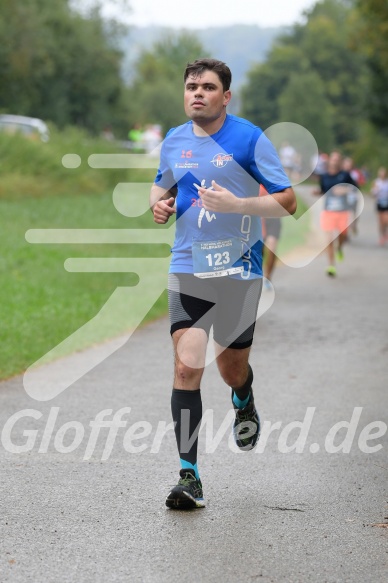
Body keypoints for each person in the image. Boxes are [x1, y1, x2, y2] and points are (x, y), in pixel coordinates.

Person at [150, 58, 296, 509]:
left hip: (238, 267)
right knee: (186, 366)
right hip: (189, 263)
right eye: (191, 86)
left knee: (229, 367)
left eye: (208, 87)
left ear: (225, 96)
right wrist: (160, 206)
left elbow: (287, 201)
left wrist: (237, 204)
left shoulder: (250, 138)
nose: (197, 93)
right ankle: (188, 476)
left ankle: (244, 396)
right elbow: (161, 187)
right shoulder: (174, 140)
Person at [316, 150, 359, 277]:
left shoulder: (345, 175)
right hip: (328, 211)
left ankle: (339, 248)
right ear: (329, 160)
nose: (334, 161)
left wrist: (344, 189)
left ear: (340, 162)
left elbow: (355, 189)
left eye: (337, 159)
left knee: (343, 236)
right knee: (329, 240)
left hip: (342, 211)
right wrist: (317, 192)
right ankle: (331, 265)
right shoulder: (324, 176)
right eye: (333, 159)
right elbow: (323, 190)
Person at [260, 186, 282, 289]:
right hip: (259, 219)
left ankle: (268, 277)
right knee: (261, 250)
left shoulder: (275, 180)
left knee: (272, 247)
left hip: (273, 219)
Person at [370, 167, 388, 245]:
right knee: (381, 222)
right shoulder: (376, 182)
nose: (382, 174)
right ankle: (382, 236)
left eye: (383, 173)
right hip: (379, 203)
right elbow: (372, 193)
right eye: (381, 173)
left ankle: (385, 234)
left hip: (387, 202)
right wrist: (375, 191)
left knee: (386, 220)